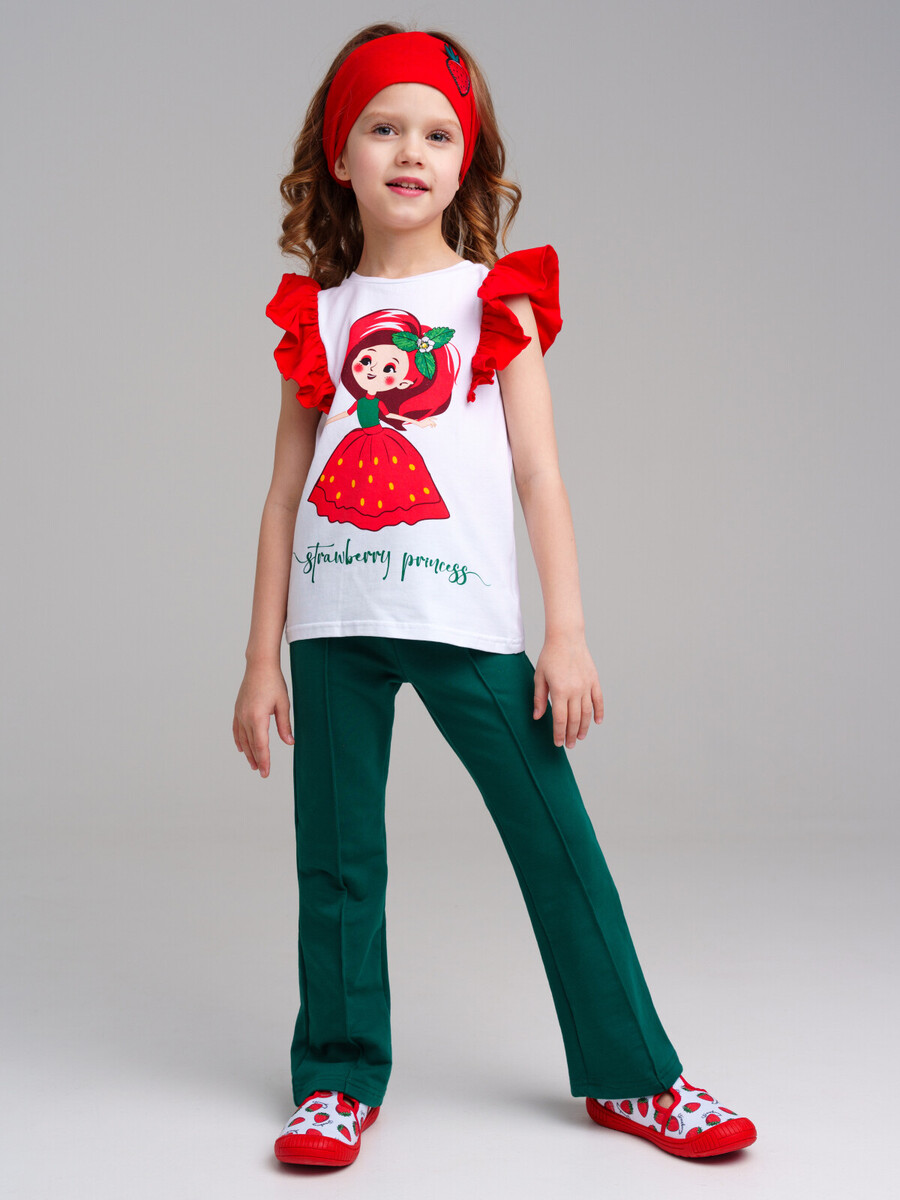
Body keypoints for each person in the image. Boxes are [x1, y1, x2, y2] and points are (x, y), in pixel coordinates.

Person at [233, 22, 757, 1169]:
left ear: (464, 159)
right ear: (340, 156)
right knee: (336, 861)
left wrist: (566, 632)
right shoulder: (318, 314)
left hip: (463, 622)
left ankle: (635, 1075)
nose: (409, 152)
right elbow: (280, 497)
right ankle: (336, 1078)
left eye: (436, 133)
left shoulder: (497, 301)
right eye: (383, 128)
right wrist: (261, 656)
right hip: (331, 625)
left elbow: (539, 476)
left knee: (555, 841)